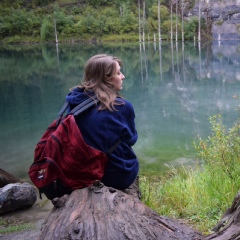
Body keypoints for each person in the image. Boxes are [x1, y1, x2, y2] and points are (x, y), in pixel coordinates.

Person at [65, 54, 139, 191]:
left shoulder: (73, 100)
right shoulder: (121, 106)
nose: (123, 76)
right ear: (107, 78)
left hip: (76, 172)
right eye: (118, 73)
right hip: (113, 176)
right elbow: (131, 139)